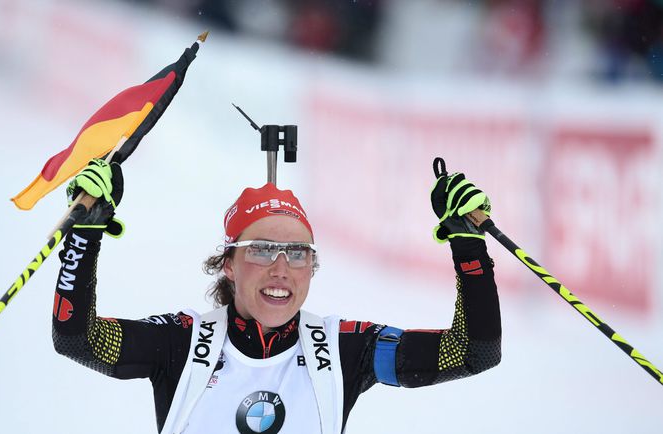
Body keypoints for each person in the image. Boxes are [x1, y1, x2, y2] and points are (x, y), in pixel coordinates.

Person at [52, 159, 502, 434]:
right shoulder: (180, 343)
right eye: (262, 249)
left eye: (298, 253)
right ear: (228, 264)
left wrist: (468, 247)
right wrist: (84, 237)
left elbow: (472, 351)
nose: (281, 268)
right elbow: (78, 339)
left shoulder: (347, 349)